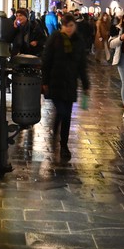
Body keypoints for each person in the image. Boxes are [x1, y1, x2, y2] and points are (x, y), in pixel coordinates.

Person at [41, 13, 90, 160]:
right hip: (55, 81)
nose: (68, 29)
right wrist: (44, 81)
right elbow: (46, 60)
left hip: (70, 83)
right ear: (61, 26)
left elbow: (82, 65)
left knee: (66, 115)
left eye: (71, 25)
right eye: (65, 25)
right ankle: (58, 134)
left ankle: (64, 145)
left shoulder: (78, 41)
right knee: (63, 112)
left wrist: (86, 83)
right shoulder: (55, 38)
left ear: (75, 26)